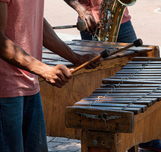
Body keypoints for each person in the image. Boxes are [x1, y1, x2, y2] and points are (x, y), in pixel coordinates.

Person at [64, 0, 161, 152]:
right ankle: (102, 136)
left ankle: (145, 136)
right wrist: (81, 9)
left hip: (121, 20)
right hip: (91, 24)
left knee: (136, 78)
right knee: (100, 85)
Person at [0, 0, 102, 151]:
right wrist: (44, 70)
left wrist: (75, 58)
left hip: (30, 85)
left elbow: (35, 21)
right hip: (5, 91)